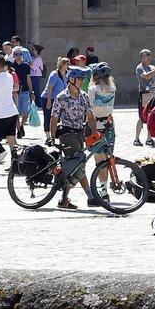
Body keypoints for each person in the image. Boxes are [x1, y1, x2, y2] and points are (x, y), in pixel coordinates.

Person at [48, 66, 97, 209]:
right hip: (67, 134)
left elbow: (90, 117)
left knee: (75, 168)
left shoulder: (84, 96)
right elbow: (54, 118)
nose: (82, 82)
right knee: (78, 165)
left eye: (82, 79)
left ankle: (64, 199)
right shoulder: (61, 97)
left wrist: (94, 134)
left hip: (79, 134)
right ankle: (91, 197)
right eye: (79, 79)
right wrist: (52, 137)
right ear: (72, 80)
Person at [134, 49, 155, 146]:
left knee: (151, 116)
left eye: (150, 55)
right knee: (142, 117)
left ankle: (149, 139)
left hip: (154, 94)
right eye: (147, 55)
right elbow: (146, 76)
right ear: (142, 57)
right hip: (145, 94)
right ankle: (137, 139)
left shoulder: (152, 67)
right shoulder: (139, 68)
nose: (149, 57)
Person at [88, 63, 117, 162]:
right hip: (109, 125)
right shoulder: (112, 89)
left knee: (99, 158)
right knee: (108, 158)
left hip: (96, 126)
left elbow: (90, 109)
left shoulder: (92, 89)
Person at [41, 57, 70, 136]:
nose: (68, 66)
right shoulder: (55, 74)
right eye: (67, 64)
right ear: (62, 65)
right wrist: (49, 101)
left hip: (59, 100)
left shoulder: (66, 75)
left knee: (57, 117)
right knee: (48, 117)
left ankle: (55, 134)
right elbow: (50, 88)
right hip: (48, 98)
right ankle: (48, 136)